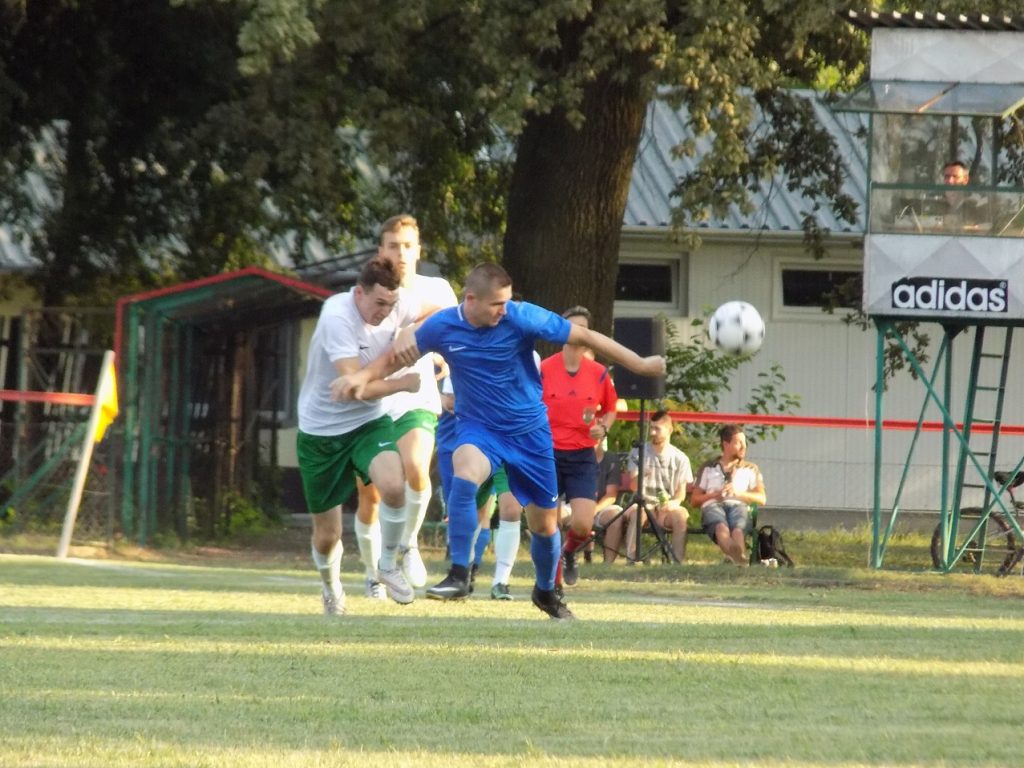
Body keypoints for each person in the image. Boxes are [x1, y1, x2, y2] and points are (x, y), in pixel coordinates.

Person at [333, 262, 666, 620]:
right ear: (471, 299)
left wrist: (640, 365)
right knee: (464, 470)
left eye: (507, 303)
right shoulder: (443, 326)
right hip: (480, 429)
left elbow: (585, 338)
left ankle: (545, 591)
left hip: (530, 435)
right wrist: (361, 378)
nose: (504, 310)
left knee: (544, 524)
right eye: (497, 304)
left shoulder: (520, 317)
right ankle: (460, 574)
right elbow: (392, 359)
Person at [295, 257, 421, 615]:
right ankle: (331, 588)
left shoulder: (399, 304)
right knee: (327, 535)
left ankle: (388, 565)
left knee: (394, 486)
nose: (385, 312)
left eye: (391, 305)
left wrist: (415, 328)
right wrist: (402, 383)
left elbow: (440, 311)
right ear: (359, 292)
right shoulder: (336, 315)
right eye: (378, 303)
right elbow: (355, 389)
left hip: (368, 424)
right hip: (322, 432)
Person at [353, 214, 458, 599]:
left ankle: (407, 544)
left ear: (418, 250)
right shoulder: (365, 294)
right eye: (393, 245)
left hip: (417, 396)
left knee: (416, 468)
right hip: (374, 404)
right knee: (373, 496)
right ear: (381, 250)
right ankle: (373, 572)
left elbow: (452, 325)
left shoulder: (439, 288)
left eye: (407, 246)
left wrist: (444, 358)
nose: (400, 253)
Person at [541, 305, 618, 587]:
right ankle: (553, 585)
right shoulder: (544, 369)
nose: (578, 333)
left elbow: (610, 408)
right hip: (548, 453)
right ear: (561, 331)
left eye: (583, 328)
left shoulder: (598, 373)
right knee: (550, 524)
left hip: (582, 454)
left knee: (583, 526)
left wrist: (604, 426)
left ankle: (570, 553)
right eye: (572, 327)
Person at [602, 410, 693, 564]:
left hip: (665, 508)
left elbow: (681, 494)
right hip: (641, 503)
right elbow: (632, 486)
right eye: (651, 428)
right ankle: (632, 559)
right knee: (639, 512)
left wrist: (673, 503)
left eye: (657, 429)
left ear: (670, 430)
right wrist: (642, 474)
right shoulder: (639, 452)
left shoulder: (680, 458)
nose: (652, 432)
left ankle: (677, 562)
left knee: (681, 516)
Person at [690, 423, 767, 566]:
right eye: (738, 443)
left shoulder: (750, 468)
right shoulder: (708, 467)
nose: (743, 447)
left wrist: (738, 493)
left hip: (738, 505)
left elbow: (762, 498)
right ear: (726, 444)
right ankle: (741, 562)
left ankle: (735, 560)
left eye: (744, 443)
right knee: (721, 528)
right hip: (713, 505)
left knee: (738, 531)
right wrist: (713, 495)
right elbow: (694, 500)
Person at [591, 438, 623, 563]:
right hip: (574, 505)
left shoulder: (611, 460)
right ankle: (559, 560)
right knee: (553, 514)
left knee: (616, 516)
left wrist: (593, 509)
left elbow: (611, 495)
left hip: (601, 508)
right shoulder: (573, 457)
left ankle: (608, 563)